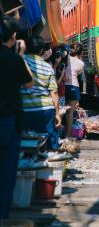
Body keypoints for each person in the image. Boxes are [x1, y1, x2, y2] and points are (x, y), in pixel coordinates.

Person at [0, 16, 33, 220]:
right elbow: (29, 83)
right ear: (13, 38)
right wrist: (20, 55)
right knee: (7, 169)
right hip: (9, 119)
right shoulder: (14, 60)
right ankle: (2, 213)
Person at [21, 36, 61, 150]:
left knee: (26, 141)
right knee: (47, 139)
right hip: (45, 109)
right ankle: (49, 163)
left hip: (25, 109)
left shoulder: (21, 60)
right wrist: (57, 113)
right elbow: (54, 92)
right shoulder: (47, 67)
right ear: (42, 50)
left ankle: (28, 164)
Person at [64, 43, 84, 137]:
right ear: (81, 52)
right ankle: (68, 134)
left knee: (60, 110)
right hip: (74, 87)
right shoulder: (81, 63)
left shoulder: (66, 58)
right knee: (70, 112)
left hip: (63, 86)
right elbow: (78, 74)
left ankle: (58, 132)